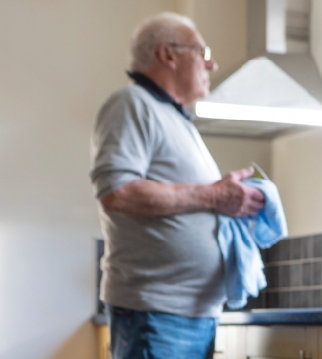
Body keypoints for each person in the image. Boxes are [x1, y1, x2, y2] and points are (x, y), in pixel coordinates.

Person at [91, 12, 265, 358]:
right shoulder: (132, 104)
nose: (211, 63)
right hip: (155, 313)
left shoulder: (176, 119)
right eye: (201, 51)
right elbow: (117, 191)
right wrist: (216, 194)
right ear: (168, 54)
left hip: (189, 314)